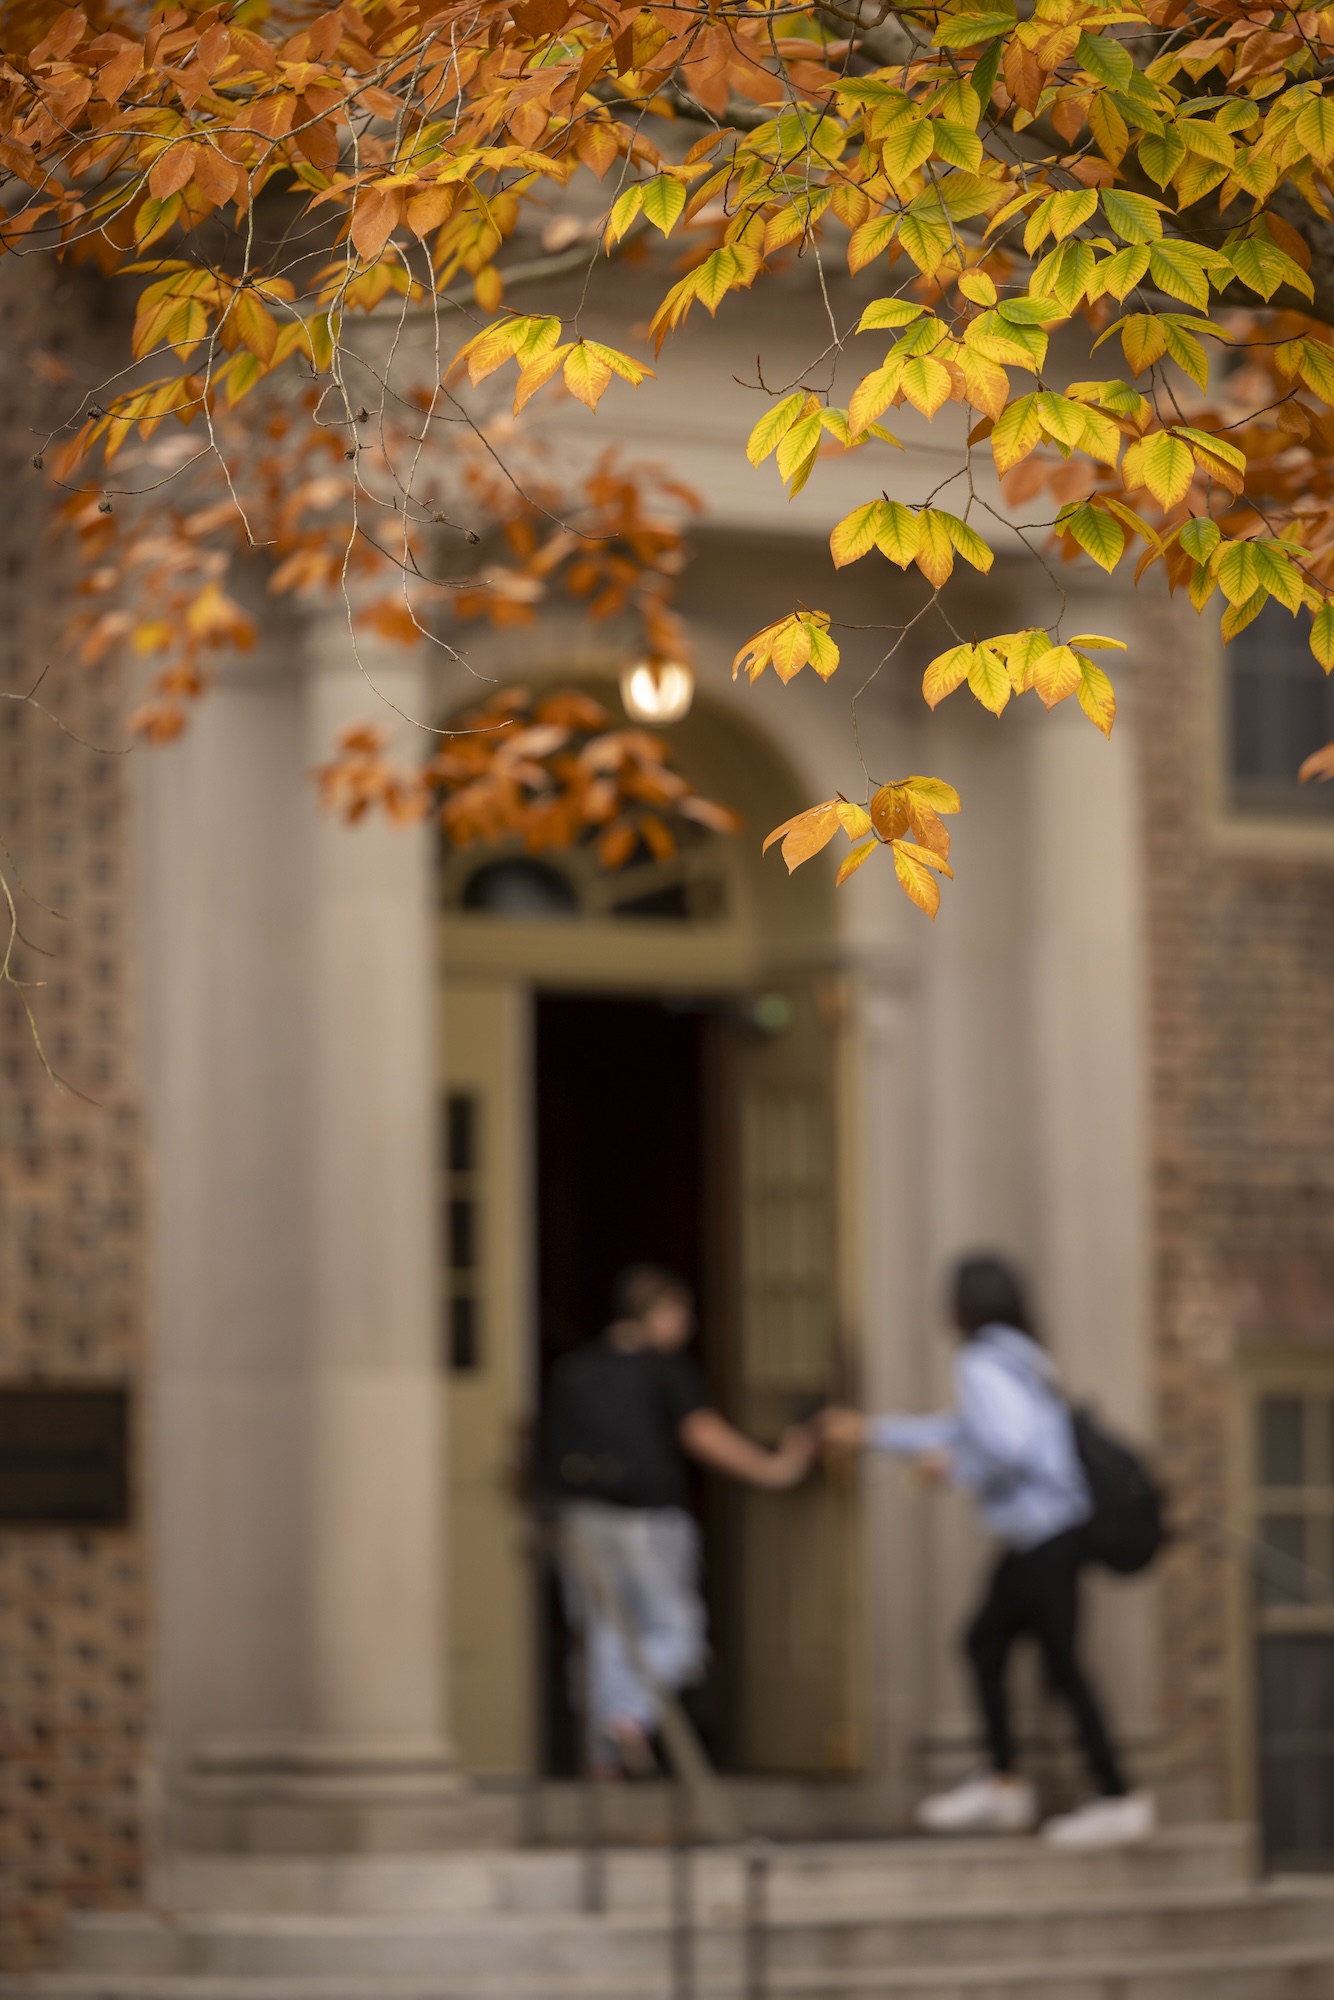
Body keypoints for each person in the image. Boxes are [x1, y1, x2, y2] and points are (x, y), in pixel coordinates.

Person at [819, 1253, 1155, 1849]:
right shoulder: (1024, 1356)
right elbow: (970, 1430)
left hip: (1042, 1531)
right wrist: (876, 1433)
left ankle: (1104, 1794)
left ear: (964, 1305)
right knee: (1000, 1648)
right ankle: (1026, 1784)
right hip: (1052, 1532)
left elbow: (1007, 1447)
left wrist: (952, 1469)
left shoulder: (979, 1360)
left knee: (1022, 1655)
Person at [545, 1263, 814, 1776]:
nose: (686, 1327)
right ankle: (628, 1718)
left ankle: (604, 1759)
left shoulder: (576, 1371)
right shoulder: (663, 1369)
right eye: (681, 1314)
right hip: (647, 1519)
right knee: (677, 1633)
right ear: (659, 1313)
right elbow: (703, 1436)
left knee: (601, 1634)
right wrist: (773, 1469)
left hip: (581, 1519)